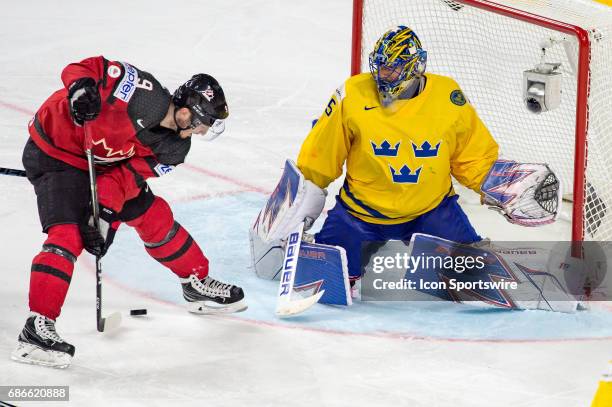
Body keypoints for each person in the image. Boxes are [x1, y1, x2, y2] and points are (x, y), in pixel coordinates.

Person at [12, 56, 246, 368]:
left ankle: (195, 285)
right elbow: (85, 67)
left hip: (103, 167)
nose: (200, 134)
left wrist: (105, 217)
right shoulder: (140, 91)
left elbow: (125, 178)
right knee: (67, 235)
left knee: (154, 215)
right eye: (201, 127)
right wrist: (82, 89)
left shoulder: (175, 150)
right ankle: (35, 331)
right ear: (187, 113)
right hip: (55, 154)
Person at [292, 26, 558, 285]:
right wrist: (300, 206)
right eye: (380, 65)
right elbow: (322, 152)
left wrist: (501, 185)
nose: (383, 74)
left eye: (392, 67)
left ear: (414, 67)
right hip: (360, 214)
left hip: (431, 212)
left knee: (473, 277)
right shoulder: (352, 94)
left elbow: (471, 155)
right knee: (325, 278)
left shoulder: (447, 96)